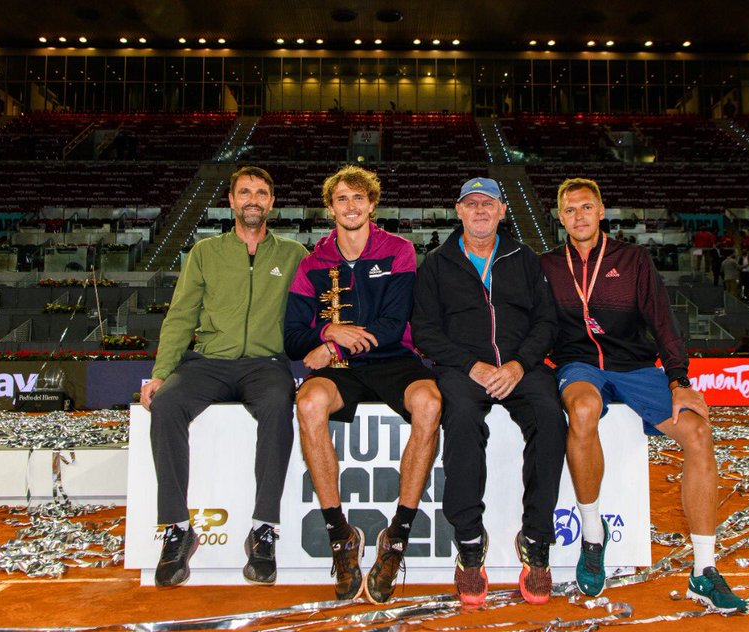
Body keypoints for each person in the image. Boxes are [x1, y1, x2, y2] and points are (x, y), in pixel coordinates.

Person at [540, 177, 747, 613]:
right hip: (579, 363)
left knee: (698, 432)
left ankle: (704, 570)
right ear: (561, 218)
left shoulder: (632, 259)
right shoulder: (547, 265)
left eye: (586, 207)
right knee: (582, 409)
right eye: (570, 210)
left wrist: (679, 380)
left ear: (601, 211)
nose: (579, 216)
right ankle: (593, 535)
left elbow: (663, 320)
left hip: (635, 365)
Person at [138, 166, 307, 587]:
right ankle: (177, 529)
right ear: (231, 201)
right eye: (245, 192)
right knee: (168, 404)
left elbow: (316, 313)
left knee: (277, 405)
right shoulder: (204, 253)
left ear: (272, 202)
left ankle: (264, 529)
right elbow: (180, 317)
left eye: (262, 192)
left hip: (266, 365)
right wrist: (160, 374)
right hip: (209, 362)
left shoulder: (294, 255)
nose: (253, 199)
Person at [284, 165, 442, 603]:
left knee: (429, 403)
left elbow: (392, 326)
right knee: (309, 402)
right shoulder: (312, 263)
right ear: (330, 207)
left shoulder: (399, 251)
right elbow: (294, 338)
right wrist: (326, 334)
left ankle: (396, 538)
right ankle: (341, 536)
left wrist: (332, 348)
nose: (351, 206)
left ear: (372, 204)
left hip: (392, 359)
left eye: (359, 198)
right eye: (342, 199)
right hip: (343, 372)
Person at [412, 178, 566, 606]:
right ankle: (469, 541)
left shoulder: (525, 259)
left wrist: (519, 364)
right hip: (464, 368)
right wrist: (471, 366)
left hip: (522, 366)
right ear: (458, 211)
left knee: (551, 418)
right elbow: (424, 330)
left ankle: (536, 538)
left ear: (502, 211)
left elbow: (547, 323)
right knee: (460, 419)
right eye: (471, 203)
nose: (480, 210)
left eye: (489, 203)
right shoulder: (436, 265)